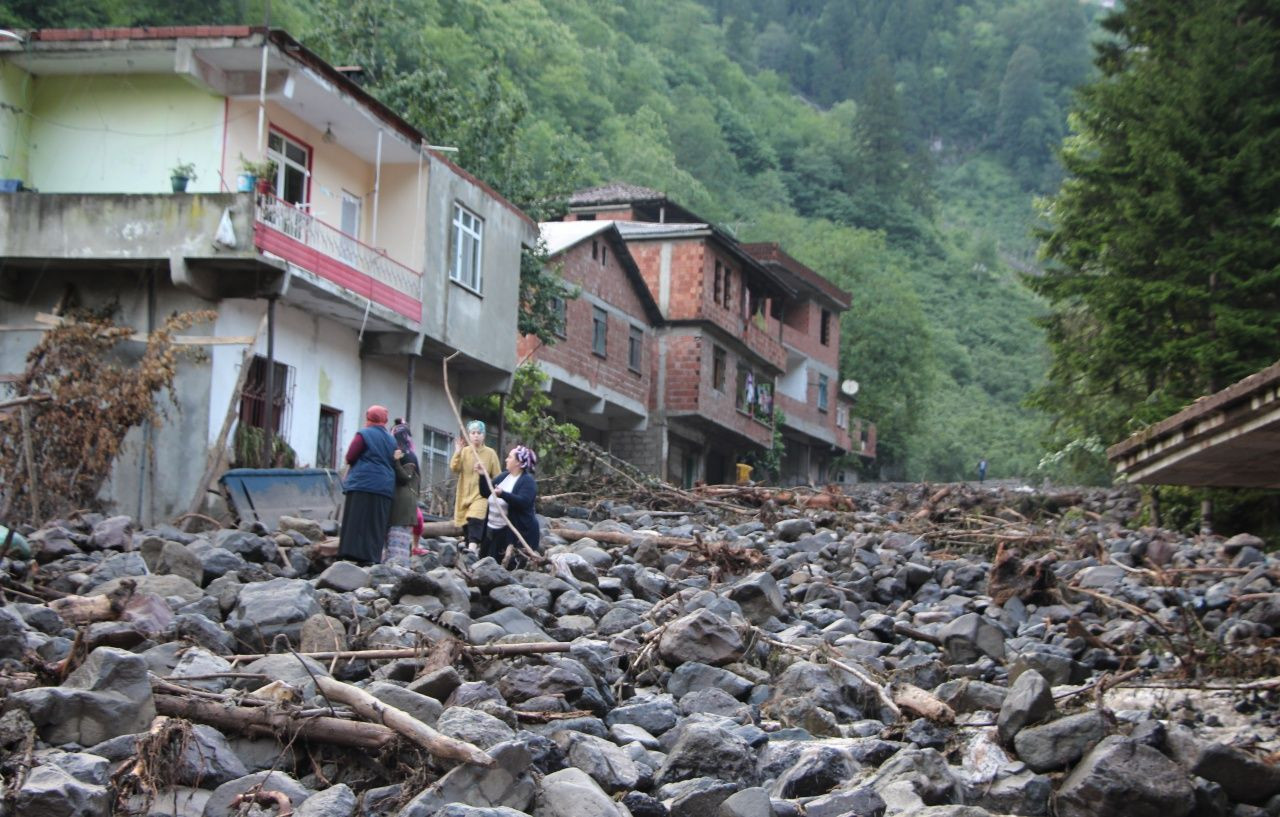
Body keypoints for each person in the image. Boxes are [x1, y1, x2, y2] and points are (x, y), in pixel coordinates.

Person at [338, 405, 397, 566]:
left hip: (362, 483)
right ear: (384, 419)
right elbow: (393, 460)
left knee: (356, 520)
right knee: (375, 522)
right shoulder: (392, 440)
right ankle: (371, 557)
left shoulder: (363, 434)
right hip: (384, 486)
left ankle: (350, 555)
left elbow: (350, 456)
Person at [476, 444, 540, 567]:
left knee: (505, 566)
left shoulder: (528, 482)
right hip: (492, 529)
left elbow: (523, 502)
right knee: (485, 564)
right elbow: (485, 492)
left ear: (519, 463)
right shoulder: (504, 476)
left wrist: (503, 494)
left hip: (513, 532)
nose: (506, 459)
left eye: (510, 457)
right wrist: (482, 476)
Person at [450, 420, 500, 551]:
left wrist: (494, 489)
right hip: (465, 494)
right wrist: (458, 451)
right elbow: (454, 468)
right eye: (473, 433)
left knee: (476, 519)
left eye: (479, 433)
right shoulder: (465, 452)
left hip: (481, 495)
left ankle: (472, 547)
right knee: (467, 523)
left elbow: (497, 475)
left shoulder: (490, 453)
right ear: (469, 435)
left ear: (484, 435)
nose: (476, 435)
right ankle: (470, 550)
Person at [384, 420, 421, 566]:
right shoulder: (408, 453)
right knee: (397, 539)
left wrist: (396, 462)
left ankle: (397, 570)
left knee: (397, 540)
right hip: (402, 504)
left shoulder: (407, 456)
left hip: (402, 506)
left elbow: (405, 478)